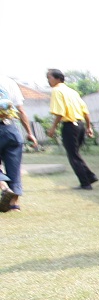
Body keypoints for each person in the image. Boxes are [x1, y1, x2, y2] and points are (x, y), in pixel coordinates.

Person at [45, 69, 97, 190]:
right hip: (80, 125)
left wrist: (53, 127)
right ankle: (90, 176)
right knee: (75, 154)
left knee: (73, 155)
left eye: (49, 78)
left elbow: (60, 112)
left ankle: (86, 183)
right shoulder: (72, 92)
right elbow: (85, 111)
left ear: (58, 78)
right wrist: (88, 127)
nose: (48, 81)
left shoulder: (57, 91)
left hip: (70, 126)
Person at [0, 75, 39, 212]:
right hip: (11, 129)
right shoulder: (9, 82)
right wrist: (30, 133)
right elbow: (21, 111)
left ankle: (4, 186)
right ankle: (14, 205)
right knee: (14, 168)